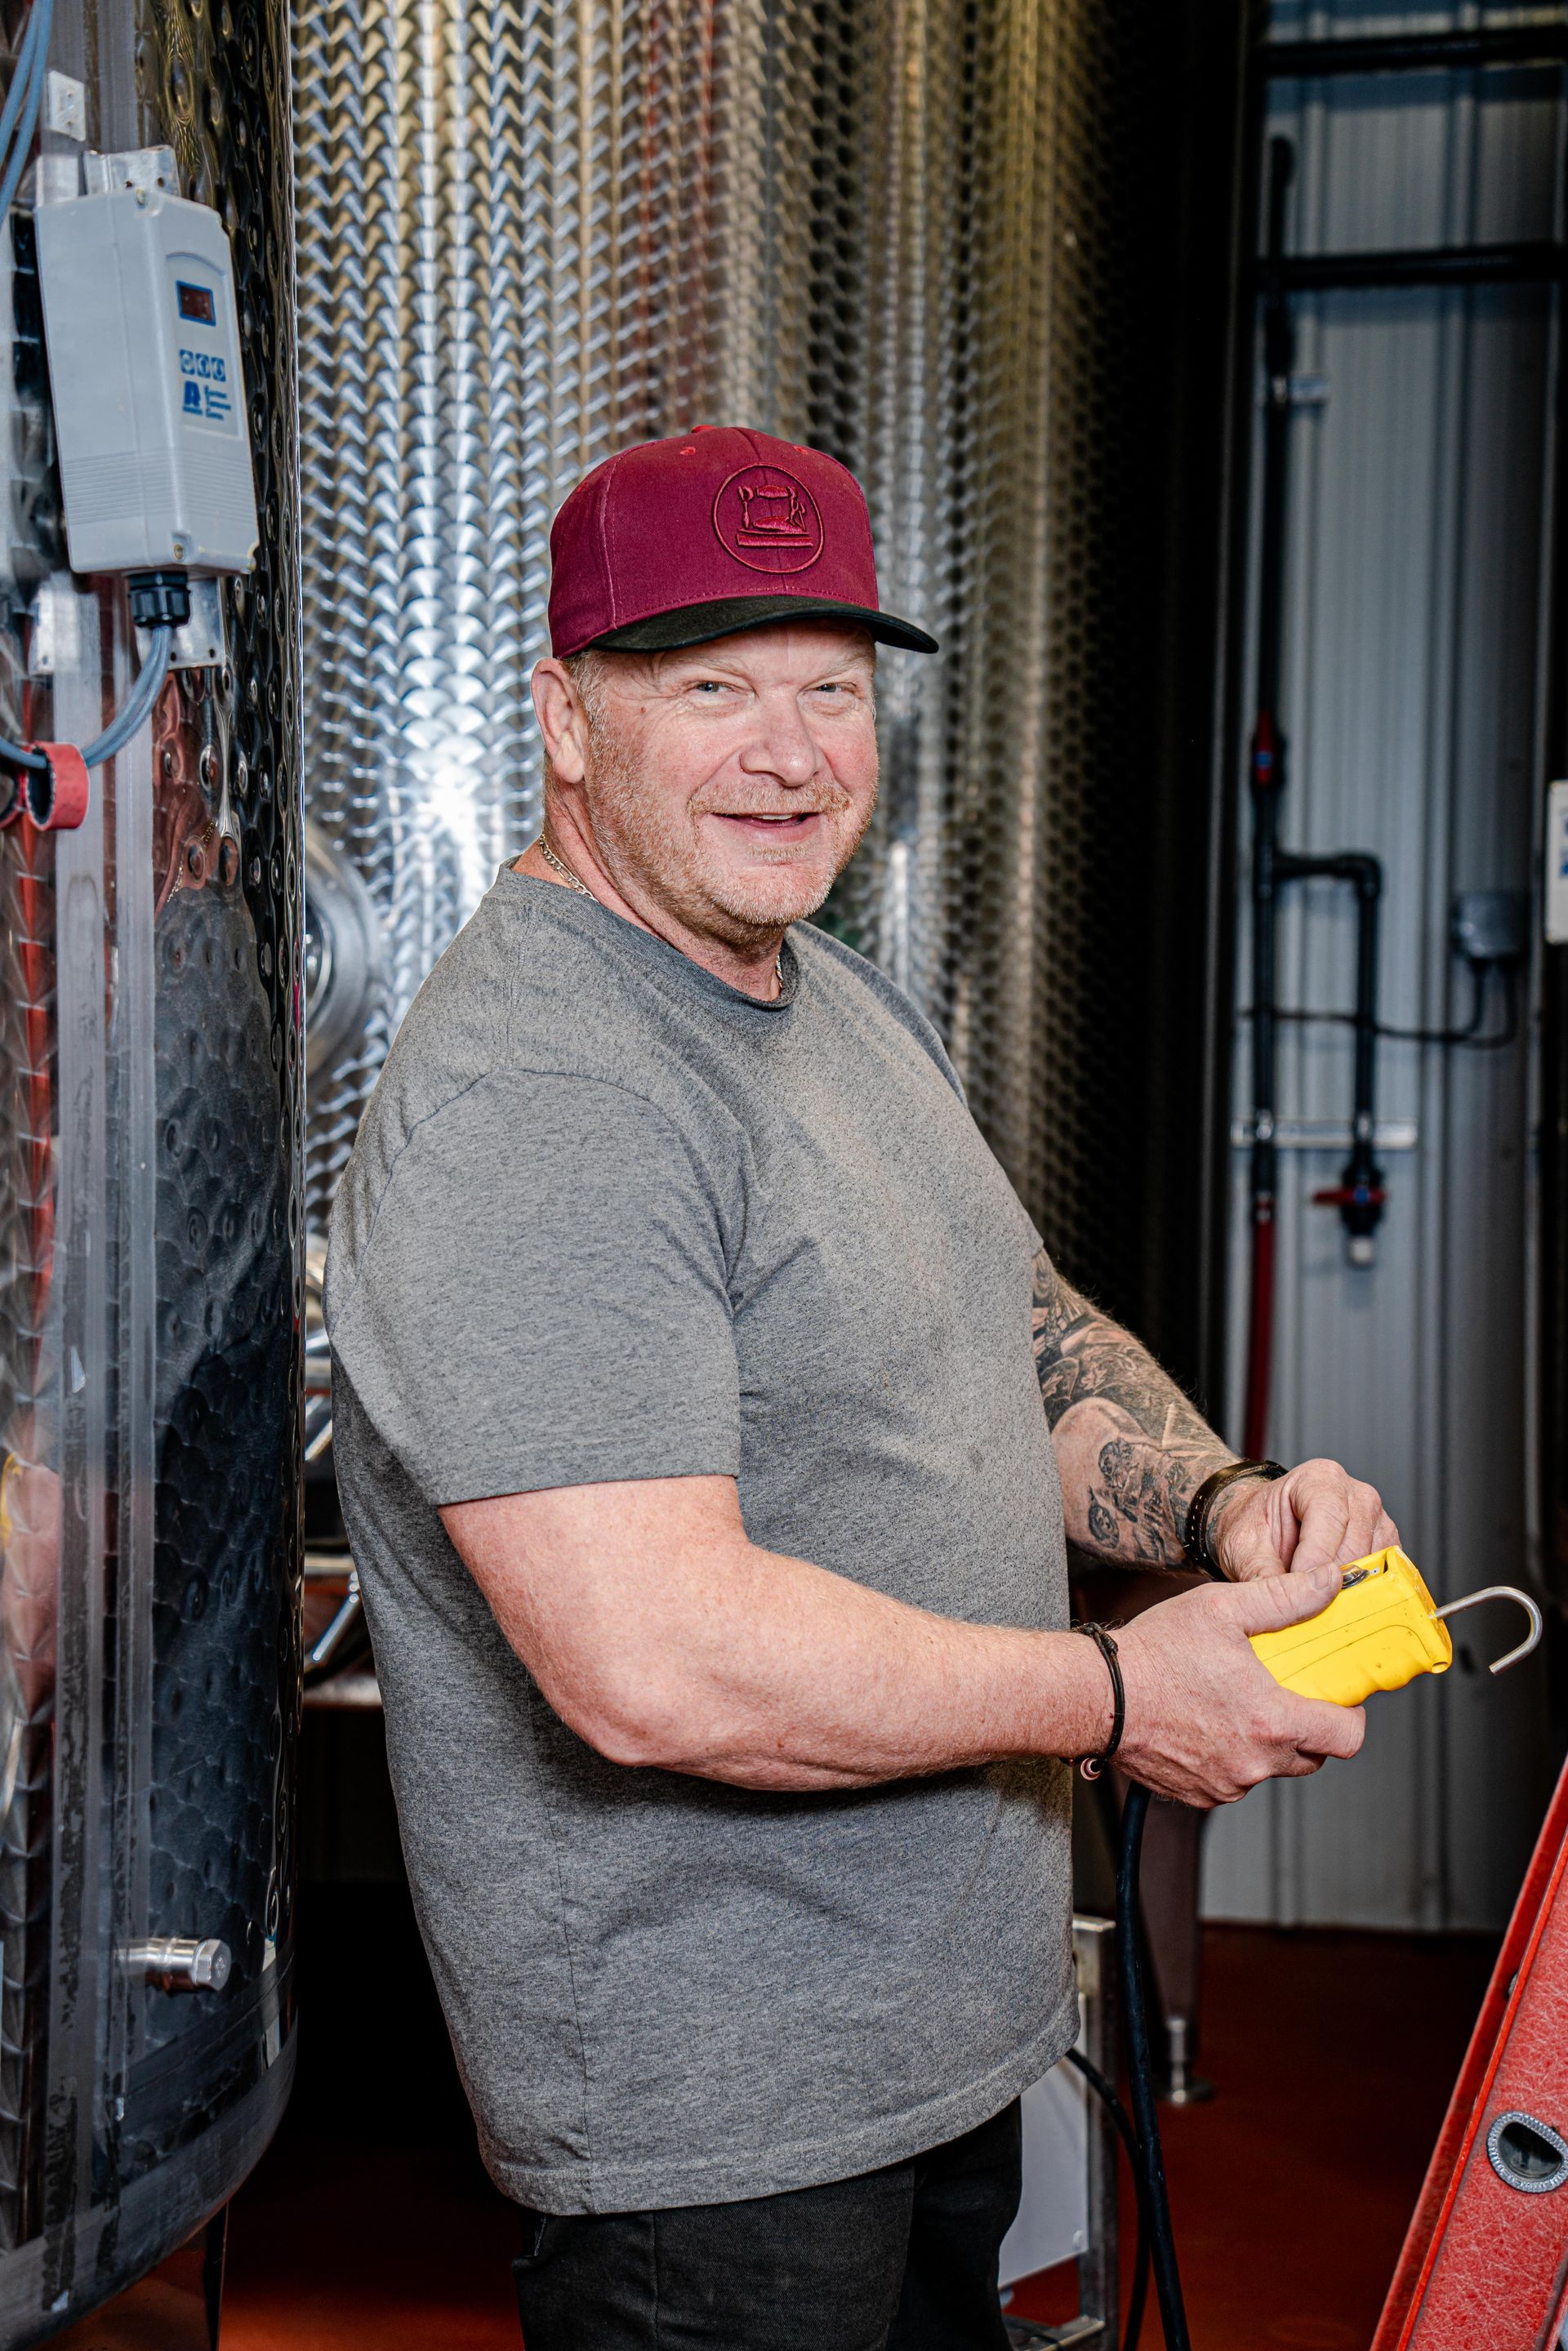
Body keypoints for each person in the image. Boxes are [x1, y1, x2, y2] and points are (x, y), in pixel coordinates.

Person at [324, 425, 1396, 2350]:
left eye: (832, 688)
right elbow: (654, 1658)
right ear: (566, 722)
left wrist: (1227, 1500)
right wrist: (1123, 1695)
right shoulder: (542, 1099)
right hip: (717, 2138)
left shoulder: (815, 987)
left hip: (923, 2046)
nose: (793, 749)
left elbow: (1011, 1315)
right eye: (714, 686)